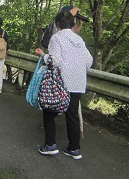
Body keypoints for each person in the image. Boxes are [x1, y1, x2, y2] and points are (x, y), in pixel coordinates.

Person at [34, 9, 93, 158]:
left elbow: (56, 61)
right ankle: (74, 149)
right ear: (72, 25)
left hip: (61, 83)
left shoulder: (56, 38)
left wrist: (42, 55)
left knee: (49, 112)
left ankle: (50, 145)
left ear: (58, 24)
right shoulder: (79, 40)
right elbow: (89, 62)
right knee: (72, 115)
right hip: (78, 83)